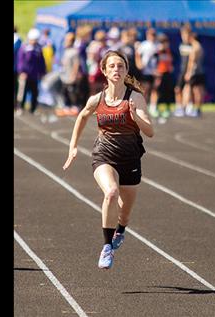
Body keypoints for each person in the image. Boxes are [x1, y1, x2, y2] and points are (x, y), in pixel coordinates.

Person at [62, 50, 154, 269]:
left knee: (125, 212)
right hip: (104, 155)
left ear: (126, 71)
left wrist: (134, 118)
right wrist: (73, 146)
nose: (116, 69)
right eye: (112, 66)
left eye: (120, 66)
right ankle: (106, 247)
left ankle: (121, 229)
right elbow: (83, 115)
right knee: (111, 192)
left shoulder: (135, 98)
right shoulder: (97, 98)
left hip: (130, 159)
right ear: (104, 71)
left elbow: (150, 131)